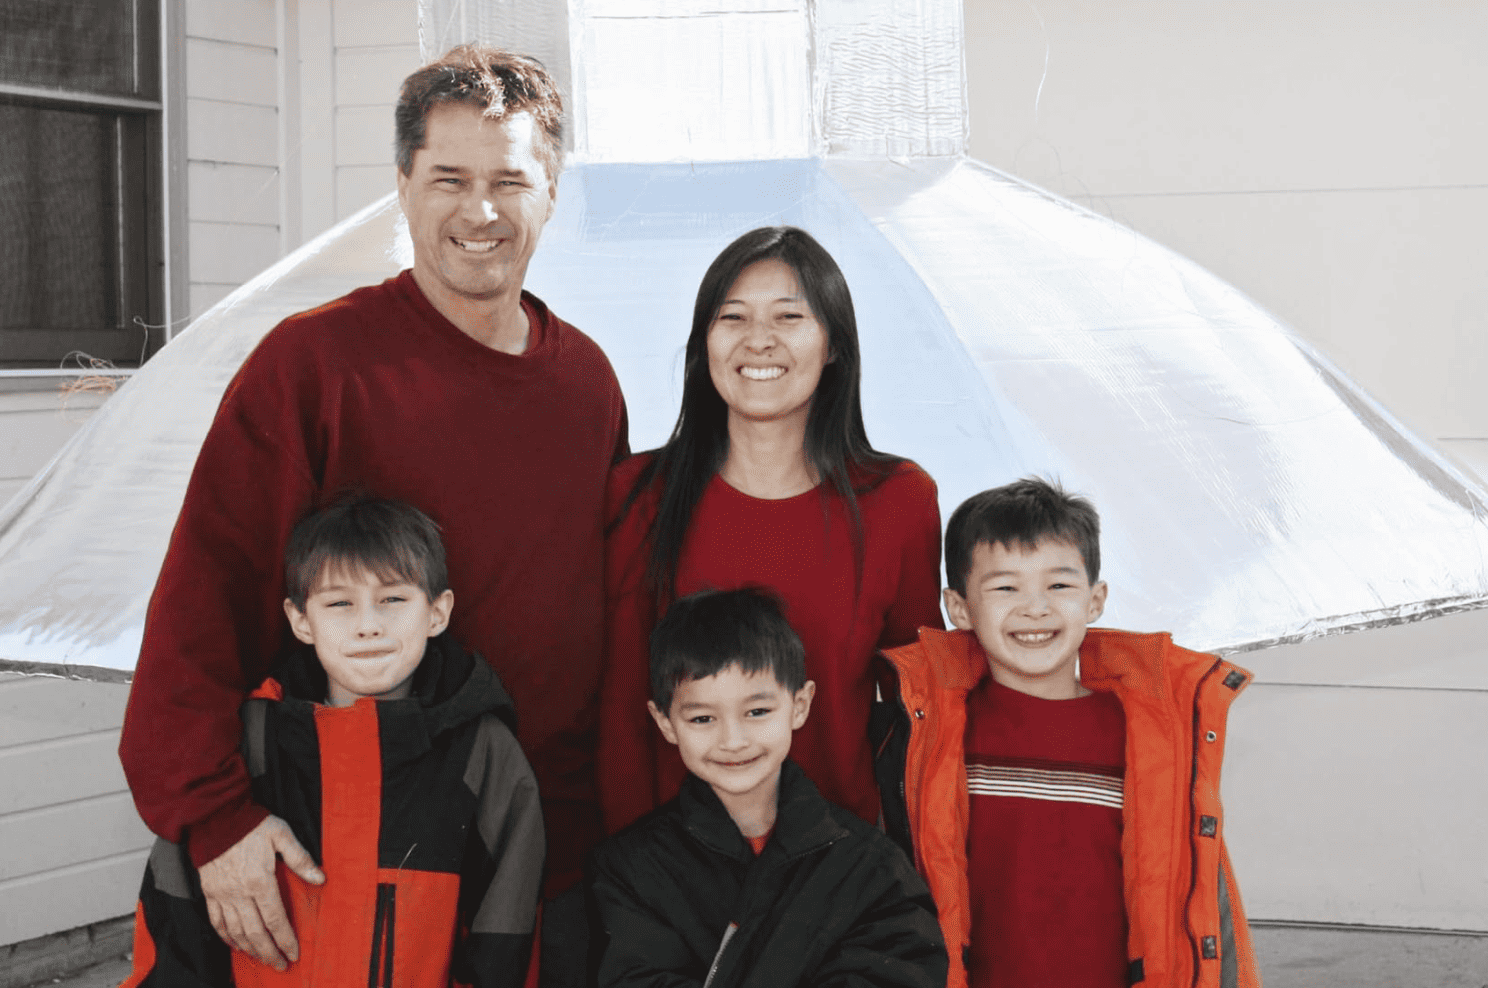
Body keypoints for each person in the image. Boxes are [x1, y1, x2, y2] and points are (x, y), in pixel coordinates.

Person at [119, 44, 628, 973]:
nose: (481, 211)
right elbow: (207, 597)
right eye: (448, 178)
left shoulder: (586, 383)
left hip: (541, 851)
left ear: (552, 190)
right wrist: (216, 818)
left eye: (511, 180)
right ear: (401, 184)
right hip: (347, 856)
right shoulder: (314, 367)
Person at [598, 225, 943, 836]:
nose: (759, 341)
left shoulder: (898, 502)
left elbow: (920, 710)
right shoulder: (639, 494)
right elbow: (624, 711)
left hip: (838, 871)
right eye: (733, 317)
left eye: (789, 317)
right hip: (676, 878)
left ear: (833, 344)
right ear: (704, 343)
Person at [121, 495, 545, 988]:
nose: (368, 624)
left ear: (437, 612)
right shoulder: (244, 744)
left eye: (393, 599)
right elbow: (175, 925)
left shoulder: (483, 752)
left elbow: (508, 932)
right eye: (340, 603)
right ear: (301, 620)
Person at [875, 478, 1261, 988]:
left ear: (1095, 600)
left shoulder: (1148, 740)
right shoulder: (935, 737)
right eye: (1005, 587)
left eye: (1058, 585)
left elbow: (1201, 897)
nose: (1035, 608)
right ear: (960, 608)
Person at [587, 588, 948, 988]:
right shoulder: (631, 868)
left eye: (757, 712)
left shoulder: (872, 868)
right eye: (703, 719)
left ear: (800, 705)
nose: (734, 740)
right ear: (666, 722)